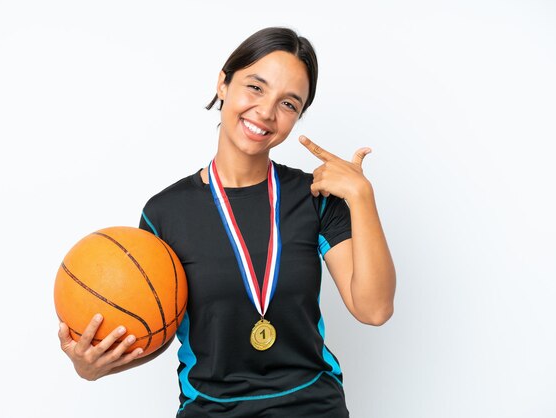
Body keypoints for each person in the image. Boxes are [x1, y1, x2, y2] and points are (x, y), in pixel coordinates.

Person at [58, 26, 396, 417]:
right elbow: (156, 328)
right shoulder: (165, 213)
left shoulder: (315, 198)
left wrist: (361, 197)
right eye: (255, 87)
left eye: (289, 104)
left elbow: (374, 309)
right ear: (223, 83)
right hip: (210, 410)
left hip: (312, 407)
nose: (266, 112)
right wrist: (91, 367)